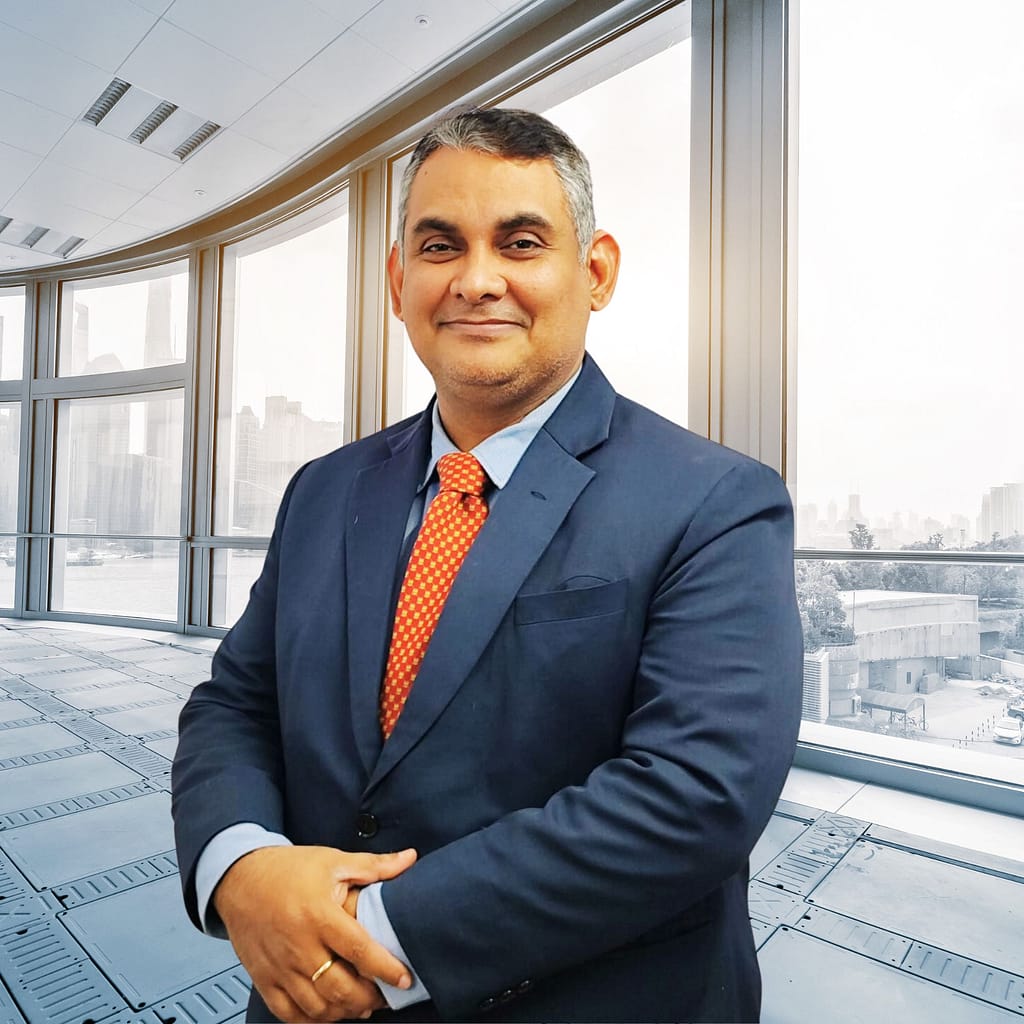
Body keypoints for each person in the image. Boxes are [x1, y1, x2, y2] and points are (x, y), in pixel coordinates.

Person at [172, 106, 803, 1023]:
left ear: (595, 273)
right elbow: (236, 701)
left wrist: (366, 938)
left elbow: (692, 796)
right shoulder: (323, 489)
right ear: (398, 282)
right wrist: (243, 868)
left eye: (519, 242)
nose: (476, 280)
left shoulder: (716, 501)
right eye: (439, 246)